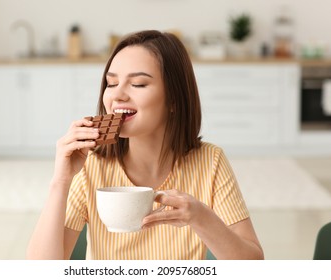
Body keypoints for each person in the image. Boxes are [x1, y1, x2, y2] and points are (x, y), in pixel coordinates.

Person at [27, 30, 264, 260]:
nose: (117, 95)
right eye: (111, 83)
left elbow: (252, 265)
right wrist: (60, 181)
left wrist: (201, 218)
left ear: (173, 99)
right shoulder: (90, 165)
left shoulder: (210, 161)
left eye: (138, 84)